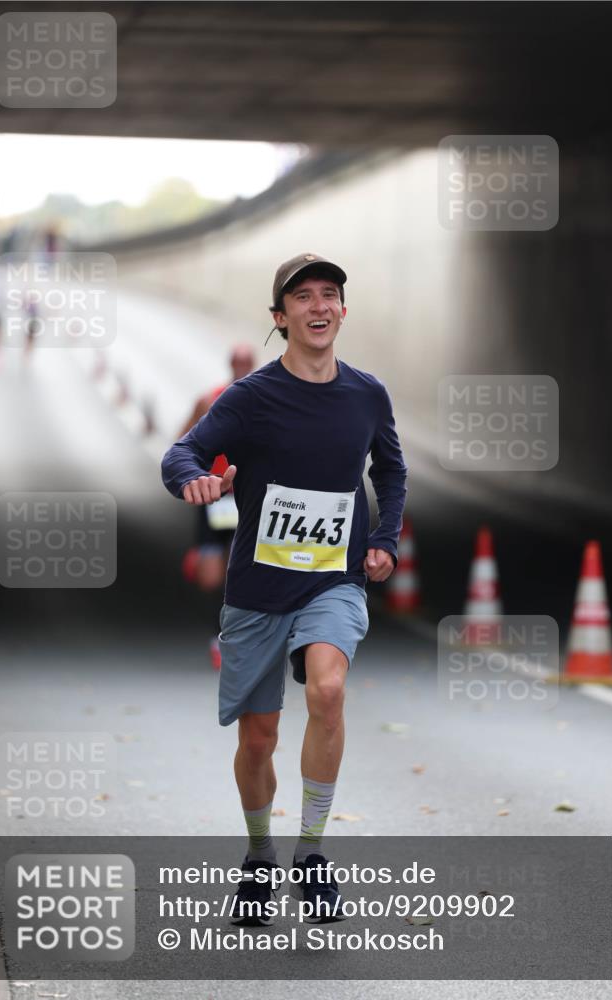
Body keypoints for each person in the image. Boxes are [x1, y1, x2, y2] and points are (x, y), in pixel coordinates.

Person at [161, 253, 407, 925]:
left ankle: (311, 854)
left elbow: (390, 470)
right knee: (259, 739)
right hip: (258, 586)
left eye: (330, 294)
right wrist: (194, 481)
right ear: (281, 317)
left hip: (333, 579)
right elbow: (179, 454)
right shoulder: (250, 398)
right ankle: (260, 855)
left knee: (327, 688)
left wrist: (383, 540)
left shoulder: (366, 394)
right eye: (303, 297)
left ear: (341, 311)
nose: (319, 306)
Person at [178, 345, 256, 666]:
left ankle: (234, 636)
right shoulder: (209, 400)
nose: (241, 367)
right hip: (215, 498)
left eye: (246, 363)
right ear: (230, 365)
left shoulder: (269, 402)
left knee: (248, 569)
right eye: (237, 363)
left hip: (252, 498)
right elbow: (182, 443)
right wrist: (195, 477)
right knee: (212, 577)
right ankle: (220, 630)